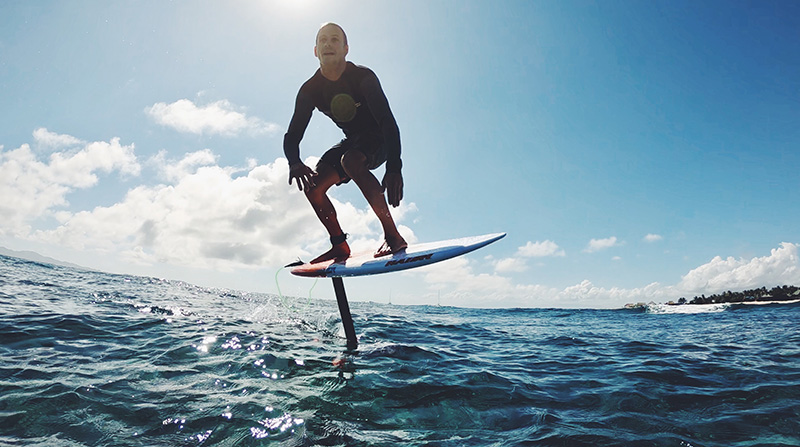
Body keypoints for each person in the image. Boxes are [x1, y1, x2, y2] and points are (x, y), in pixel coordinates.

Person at [284, 22, 408, 264]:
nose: (328, 44)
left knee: (350, 160)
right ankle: (339, 245)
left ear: (345, 48)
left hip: (379, 139)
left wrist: (394, 168)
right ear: (315, 51)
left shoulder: (362, 77)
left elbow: (387, 122)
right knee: (314, 186)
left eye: (334, 39)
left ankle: (393, 236)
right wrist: (294, 162)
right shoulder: (310, 90)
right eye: (323, 40)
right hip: (353, 142)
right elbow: (293, 134)